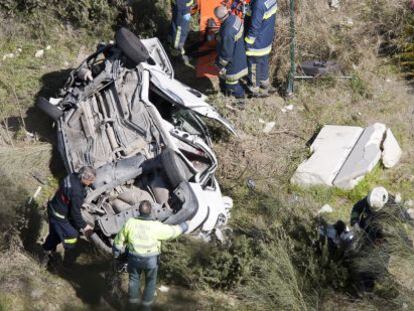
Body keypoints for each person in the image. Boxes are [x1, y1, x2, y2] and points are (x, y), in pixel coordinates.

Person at [113, 200, 188, 309]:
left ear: (138, 211)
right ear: (151, 211)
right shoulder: (156, 226)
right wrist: (185, 225)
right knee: (150, 282)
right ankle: (145, 308)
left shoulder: (130, 222)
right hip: (151, 261)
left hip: (134, 259)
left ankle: (133, 306)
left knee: (134, 280)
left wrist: (116, 253)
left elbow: (119, 240)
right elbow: (172, 232)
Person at [42, 166, 96, 266]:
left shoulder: (72, 175)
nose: (91, 183)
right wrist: (85, 226)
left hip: (54, 206)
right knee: (72, 235)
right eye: (91, 180)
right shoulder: (77, 193)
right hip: (59, 215)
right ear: (84, 178)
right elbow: (75, 214)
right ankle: (68, 257)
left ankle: (46, 252)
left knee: (55, 234)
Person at [214, 6, 248, 105]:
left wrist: (220, 64)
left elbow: (226, 53)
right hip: (240, 52)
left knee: (232, 83)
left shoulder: (227, 32)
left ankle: (240, 100)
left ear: (219, 18)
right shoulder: (234, 18)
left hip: (234, 62)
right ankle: (226, 91)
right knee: (227, 81)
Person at [244, 0, 277, 97]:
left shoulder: (259, 4)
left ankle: (254, 90)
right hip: (266, 38)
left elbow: (254, 27)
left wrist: (247, 43)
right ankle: (265, 84)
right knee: (263, 62)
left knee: (254, 65)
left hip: (256, 44)